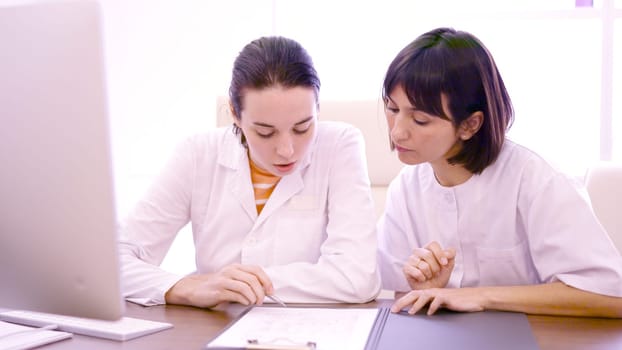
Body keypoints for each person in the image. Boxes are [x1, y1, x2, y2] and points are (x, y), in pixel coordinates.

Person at [118, 36, 380, 308]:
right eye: (265, 132)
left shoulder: (339, 146)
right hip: (215, 329)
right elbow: (115, 260)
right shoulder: (198, 154)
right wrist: (181, 287)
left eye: (302, 128)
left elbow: (358, 277)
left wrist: (235, 286)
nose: (287, 150)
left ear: (318, 108)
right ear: (234, 114)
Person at [377, 27, 622, 317]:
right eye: (392, 109)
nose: (397, 132)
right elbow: (396, 296)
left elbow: (609, 295)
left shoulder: (537, 180)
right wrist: (426, 290)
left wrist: (480, 296)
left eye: (420, 119)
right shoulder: (405, 189)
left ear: (470, 125)